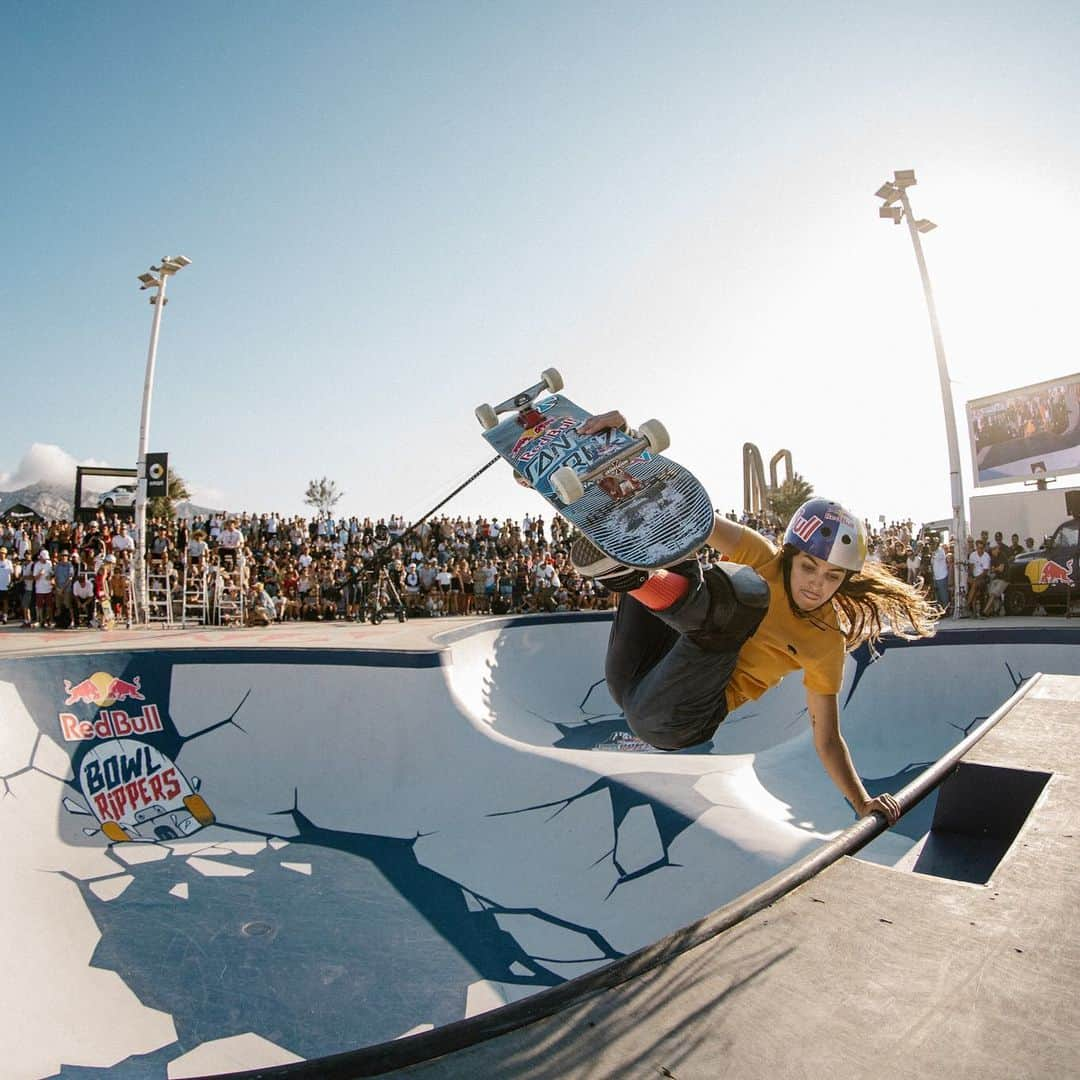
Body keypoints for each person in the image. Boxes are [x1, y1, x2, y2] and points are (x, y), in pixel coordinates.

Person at [568, 410, 941, 825]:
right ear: (790, 557)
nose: (817, 585)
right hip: (636, 677)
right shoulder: (763, 555)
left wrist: (862, 802)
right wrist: (622, 449)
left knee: (744, 596)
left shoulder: (825, 642)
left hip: (678, 717)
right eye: (808, 568)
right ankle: (621, 531)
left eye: (832, 577)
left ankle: (633, 573)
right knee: (682, 543)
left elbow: (828, 738)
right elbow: (691, 514)